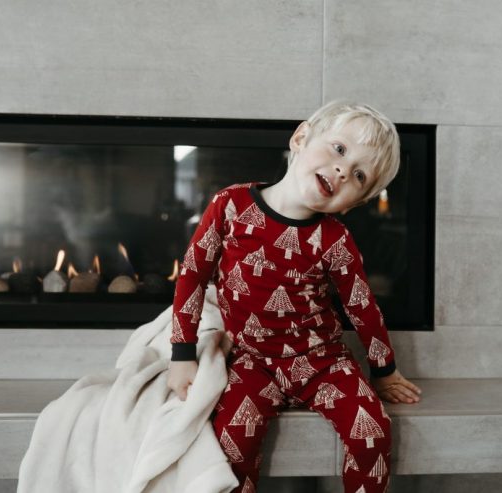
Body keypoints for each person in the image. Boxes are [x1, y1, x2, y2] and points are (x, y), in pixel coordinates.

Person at [167, 101, 421, 493]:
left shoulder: (335, 240)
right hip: (251, 359)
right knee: (231, 446)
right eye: (339, 149)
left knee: (374, 433)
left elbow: (363, 308)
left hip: (322, 360)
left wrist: (384, 371)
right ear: (301, 138)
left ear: (351, 203)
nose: (342, 169)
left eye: (358, 174)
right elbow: (193, 276)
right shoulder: (230, 205)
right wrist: (182, 354)